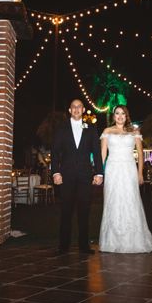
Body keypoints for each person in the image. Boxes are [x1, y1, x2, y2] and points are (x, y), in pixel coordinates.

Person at [99, 105, 152, 253]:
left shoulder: (134, 132)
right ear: (113, 116)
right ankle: (112, 240)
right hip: (112, 169)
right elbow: (103, 155)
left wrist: (140, 173)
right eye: (117, 113)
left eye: (122, 114)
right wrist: (99, 173)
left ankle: (134, 240)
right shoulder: (107, 132)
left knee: (131, 200)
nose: (119, 116)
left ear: (127, 116)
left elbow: (140, 153)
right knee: (113, 200)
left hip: (129, 169)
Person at [51, 99, 103, 255]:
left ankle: (84, 246)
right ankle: (63, 246)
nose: (76, 109)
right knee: (66, 211)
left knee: (84, 211)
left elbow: (97, 152)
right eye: (73, 107)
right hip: (65, 176)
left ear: (83, 109)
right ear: (69, 109)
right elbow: (55, 153)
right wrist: (55, 172)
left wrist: (99, 172)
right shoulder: (61, 129)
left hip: (85, 176)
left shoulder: (91, 128)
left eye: (79, 106)